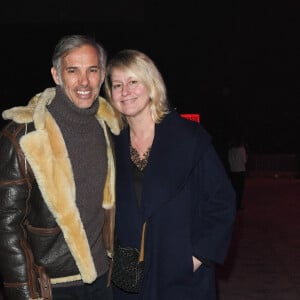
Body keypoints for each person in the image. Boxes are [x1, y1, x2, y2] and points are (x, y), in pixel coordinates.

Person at [104, 49, 237, 300]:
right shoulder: (111, 143)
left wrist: (197, 257)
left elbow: (223, 201)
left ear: (151, 85)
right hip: (129, 277)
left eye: (133, 82)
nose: (125, 91)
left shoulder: (189, 138)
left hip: (180, 275)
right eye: (117, 84)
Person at [0, 35, 120, 300]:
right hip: (52, 286)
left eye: (92, 70)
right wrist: (23, 293)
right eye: (73, 71)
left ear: (102, 75)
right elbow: (7, 227)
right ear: (56, 75)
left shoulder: (109, 129)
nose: (84, 82)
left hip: (103, 279)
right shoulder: (22, 136)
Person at [228, 135, 248, 210]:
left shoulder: (231, 150)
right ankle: (238, 205)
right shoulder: (242, 149)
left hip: (233, 172)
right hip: (240, 171)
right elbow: (245, 160)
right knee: (240, 190)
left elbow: (229, 161)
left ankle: (233, 205)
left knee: (234, 189)